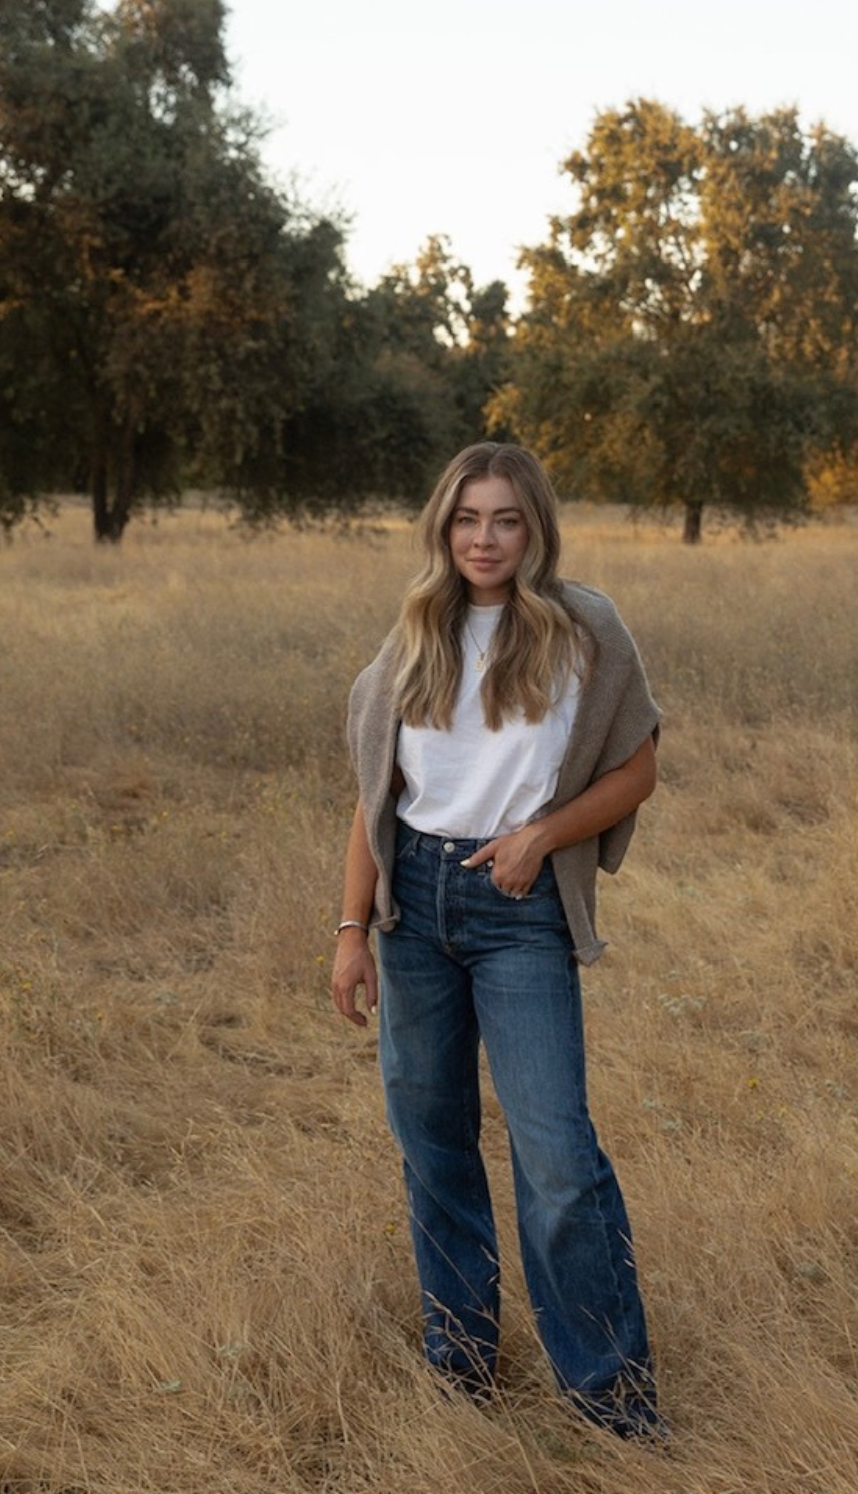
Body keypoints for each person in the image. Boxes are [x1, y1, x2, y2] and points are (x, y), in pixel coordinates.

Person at [331, 441, 664, 1440]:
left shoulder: (584, 628)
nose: (484, 538)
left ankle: (611, 1400)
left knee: (556, 1151)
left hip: (519, 906)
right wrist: (350, 929)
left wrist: (541, 838)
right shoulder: (414, 635)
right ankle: (462, 1367)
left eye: (505, 519)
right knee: (432, 1144)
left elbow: (637, 769)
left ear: (535, 528)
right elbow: (374, 799)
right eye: (467, 518)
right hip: (412, 908)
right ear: (443, 527)